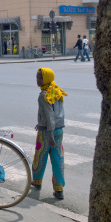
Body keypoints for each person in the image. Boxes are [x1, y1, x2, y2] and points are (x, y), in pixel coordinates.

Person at [31, 68, 67, 200]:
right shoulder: (56, 90)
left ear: (46, 79)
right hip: (59, 129)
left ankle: (37, 182)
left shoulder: (44, 95)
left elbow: (49, 114)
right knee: (58, 158)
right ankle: (59, 189)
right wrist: (40, 122)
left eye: (40, 78)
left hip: (47, 132)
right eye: (37, 77)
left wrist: (49, 132)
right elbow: (56, 113)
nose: (37, 80)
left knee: (40, 156)